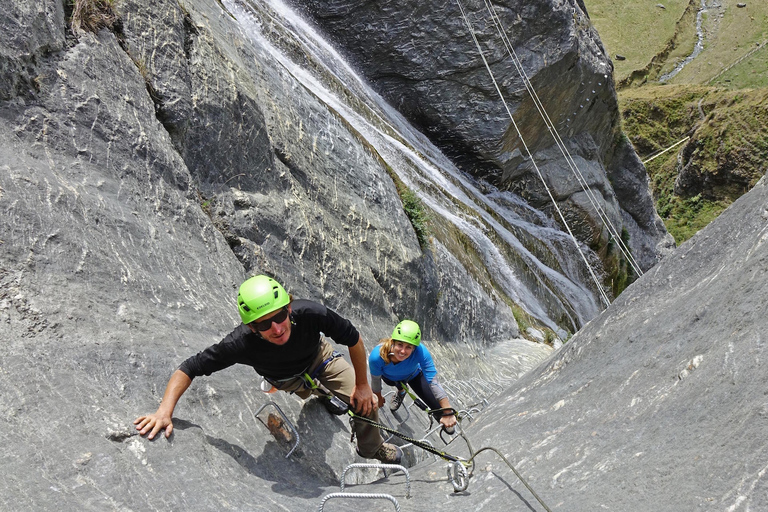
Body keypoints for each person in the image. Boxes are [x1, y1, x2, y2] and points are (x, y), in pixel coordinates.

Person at [134, 274, 402, 464]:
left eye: (279, 317)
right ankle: (324, 395)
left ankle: (372, 449)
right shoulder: (240, 343)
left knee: (366, 405)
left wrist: (363, 386)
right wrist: (164, 411)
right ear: (252, 327)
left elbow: (353, 339)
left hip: (320, 358)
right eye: (263, 325)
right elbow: (190, 367)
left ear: (288, 307)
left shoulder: (310, 313)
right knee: (312, 391)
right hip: (287, 379)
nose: (276, 328)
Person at [369, 320, 457, 434]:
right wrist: (378, 397)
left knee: (438, 407)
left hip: (414, 375)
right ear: (393, 342)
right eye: (400, 344)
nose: (402, 351)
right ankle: (401, 391)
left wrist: (447, 411)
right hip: (391, 378)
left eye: (408, 347)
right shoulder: (377, 356)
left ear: (414, 348)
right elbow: (376, 379)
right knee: (393, 382)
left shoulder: (421, 352)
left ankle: (448, 426)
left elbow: (433, 381)